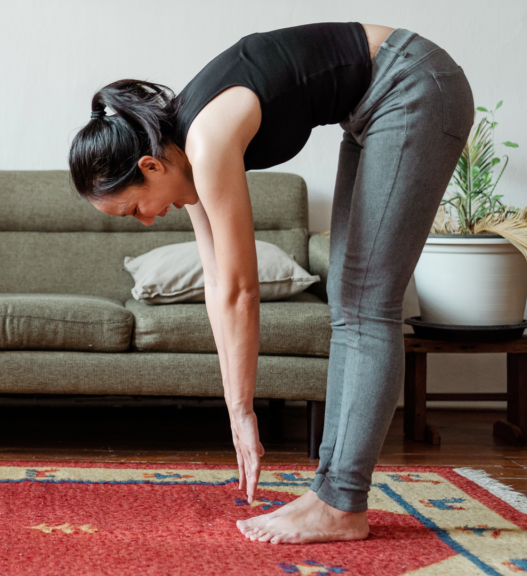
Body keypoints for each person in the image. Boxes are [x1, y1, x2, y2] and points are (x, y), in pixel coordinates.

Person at [68, 24, 473, 544]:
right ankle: (332, 495)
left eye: (133, 209)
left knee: (367, 304)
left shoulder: (206, 142)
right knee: (350, 303)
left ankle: (341, 504)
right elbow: (217, 282)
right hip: (374, 104)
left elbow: (242, 290)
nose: (146, 221)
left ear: (149, 166)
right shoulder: (182, 154)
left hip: (413, 84)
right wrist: (234, 406)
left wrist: (244, 413)